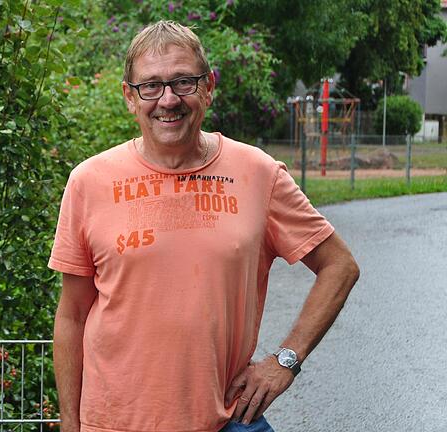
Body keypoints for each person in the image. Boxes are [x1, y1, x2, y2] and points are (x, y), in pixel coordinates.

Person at [49, 21, 359, 432]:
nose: (168, 99)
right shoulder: (89, 181)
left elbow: (339, 265)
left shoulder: (258, 174)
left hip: (226, 420)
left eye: (184, 82)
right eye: (151, 86)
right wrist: (71, 424)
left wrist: (286, 360)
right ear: (129, 96)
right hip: (113, 423)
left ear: (208, 87)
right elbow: (72, 316)